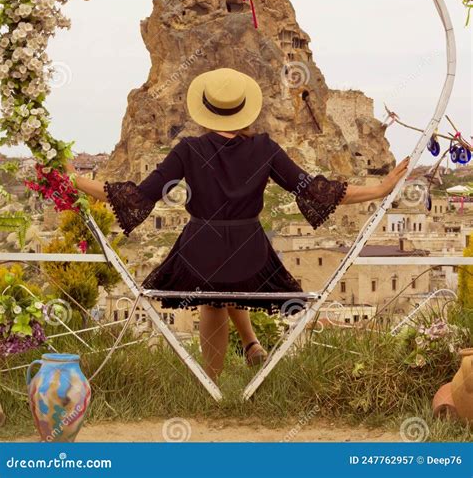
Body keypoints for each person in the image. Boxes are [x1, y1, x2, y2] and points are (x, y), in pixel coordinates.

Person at [65, 67, 410, 381]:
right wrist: (379, 188)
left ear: (204, 107)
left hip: (201, 246)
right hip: (250, 249)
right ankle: (252, 346)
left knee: (212, 299)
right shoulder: (265, 148)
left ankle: (211, 383)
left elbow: (137, 197)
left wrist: (76, 181)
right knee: (229, 283)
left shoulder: (189, 149)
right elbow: (315, 190)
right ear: (246, 108)